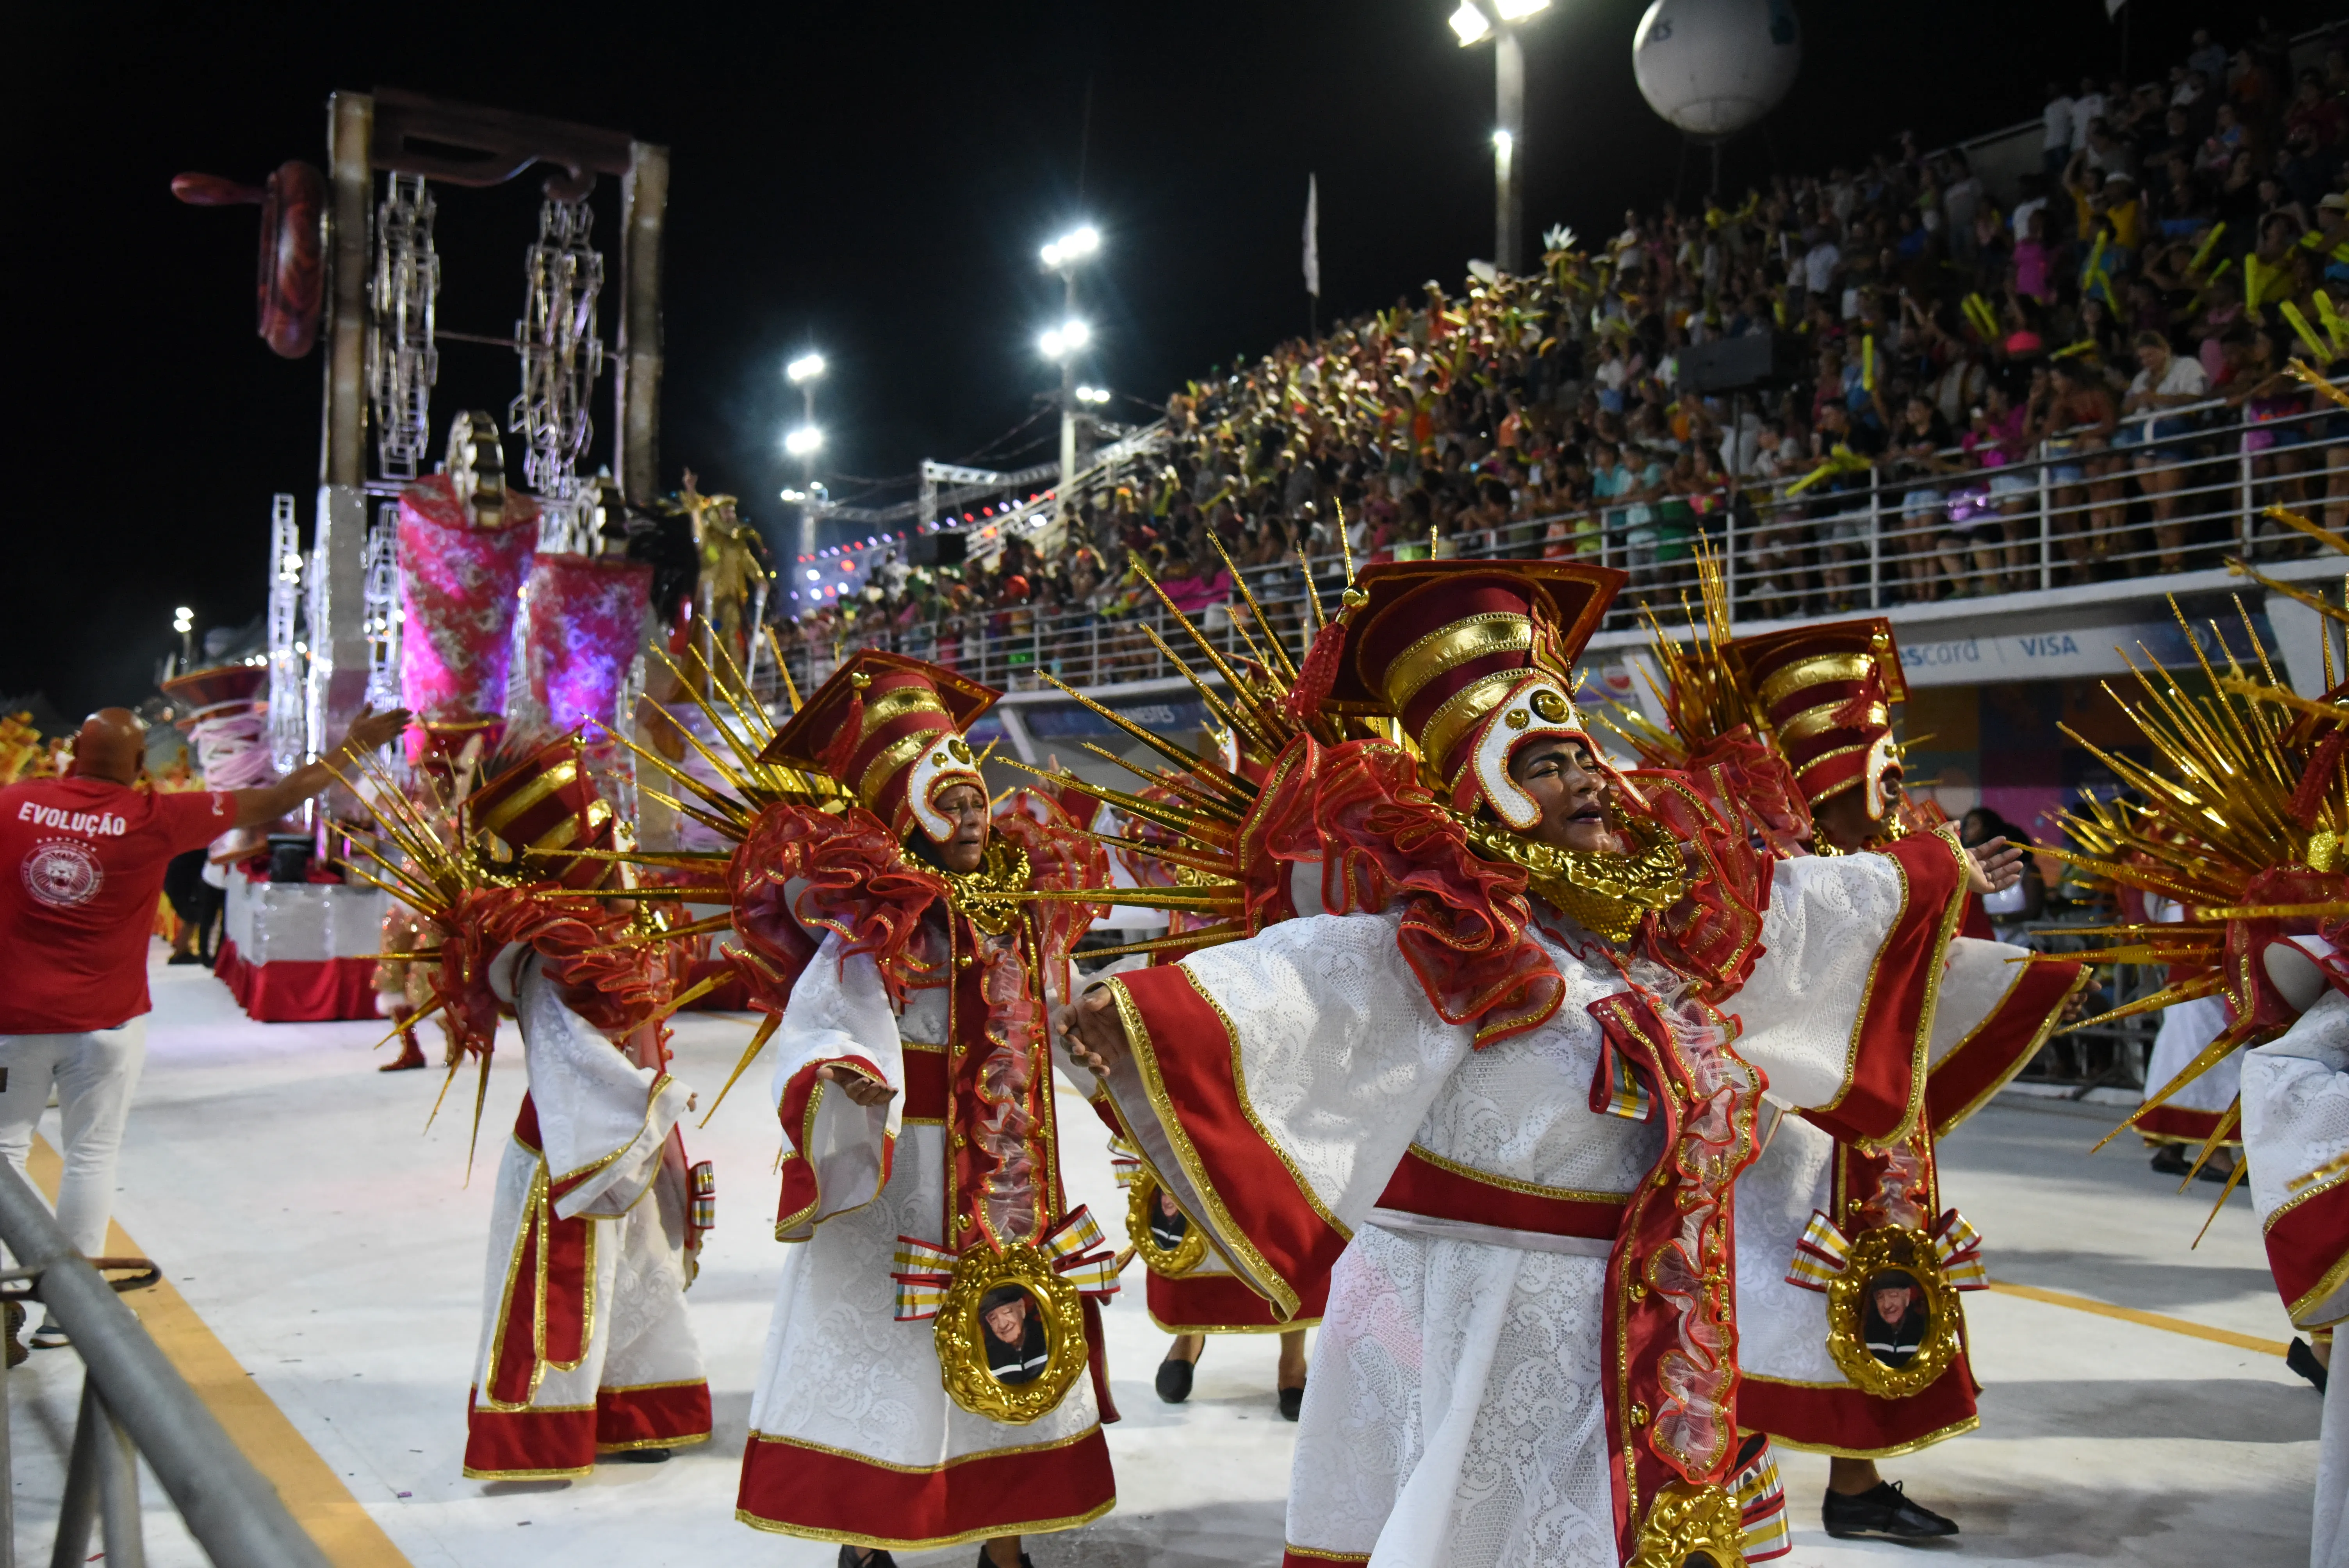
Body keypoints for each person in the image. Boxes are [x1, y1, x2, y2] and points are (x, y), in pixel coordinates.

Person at [1060, 560, 2042, 1568]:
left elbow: (1806, 924)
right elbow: (1311, 976)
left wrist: (1935, 873)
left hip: (1646, 1320)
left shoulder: (1653, 934)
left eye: (1582, 755)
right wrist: (1132, 1014)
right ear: (1481, 796)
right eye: (1540, 762)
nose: (1585, 779)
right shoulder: (1455, 941)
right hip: (1490, 1326)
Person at [734, 651, 1117, 1568]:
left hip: (1010, 1164)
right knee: (884, 1337)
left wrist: (1101, 1038)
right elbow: (827, 1019)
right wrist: (845, 1079)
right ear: (908, 816)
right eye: (949, 797)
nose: (974, 809)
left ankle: (1004, 1531)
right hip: (903, 1163)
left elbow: (1054, 1006)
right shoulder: (879, 922)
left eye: (976, 791)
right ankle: (866, 1530)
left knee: (1009, 1327)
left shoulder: (1020, 910)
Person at [0, 702, 408, 1348]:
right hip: (105, 1027)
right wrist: (353, 746)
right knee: (89, 1157)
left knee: (4, 1155)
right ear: (140, 766)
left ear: (73, 751)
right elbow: (284, 795)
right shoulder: (157, 816)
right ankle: (67, 1318)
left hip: (12, 1022)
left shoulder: (12, 805)